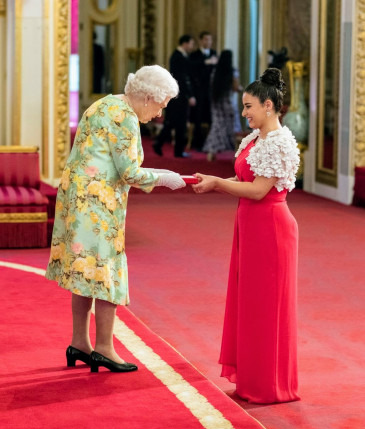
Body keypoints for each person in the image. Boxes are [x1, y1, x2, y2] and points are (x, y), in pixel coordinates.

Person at [46, 65, 186, 373]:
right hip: (98, 203)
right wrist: (166, 177)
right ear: (148, 97)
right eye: (161, 105)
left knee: (84, 271)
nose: (160, 114)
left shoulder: (103, 103)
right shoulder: (126, 118)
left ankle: (79, 342)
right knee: (106, 271)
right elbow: (130, 173)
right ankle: (105, 348)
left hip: (75, 198)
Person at [192, 68, 300, 404]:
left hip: (270, 228)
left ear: (269, 106)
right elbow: (243, 178)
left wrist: (217, 183)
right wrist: (214, 179)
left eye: (249, 106)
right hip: (249, 227)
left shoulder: (280, 143)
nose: (244, 113)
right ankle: (251, 378)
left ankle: (269, 384)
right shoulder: (252, 140)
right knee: (249, 303)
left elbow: (257, 191)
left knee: (267, 306)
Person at [153, 35, 196, 158]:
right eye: (191, 44)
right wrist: (189, 95)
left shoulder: (178, 56)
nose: (192, 47)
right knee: (179, 123)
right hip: (179, 96)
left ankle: (160, 143)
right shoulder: (178, 56)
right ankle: (176, 150)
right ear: (185, 43)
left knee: (172, 122)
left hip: (175, 95)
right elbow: (182, 79)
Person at [203, 50, 242, 161]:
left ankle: (212, 150)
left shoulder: (216, 71)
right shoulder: (232, 71)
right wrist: (240, 88)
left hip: (216, 102)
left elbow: (211, 86)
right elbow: (235, 87)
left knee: (217, 126)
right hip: (228, 102)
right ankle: (234, 152)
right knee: (231, 127)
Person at [189, 31, 218, 150]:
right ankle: (198, 143)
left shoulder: (214, 53)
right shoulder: (195, 54)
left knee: (211, 117)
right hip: (198, 90)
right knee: (198, 117)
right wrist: (205, 62)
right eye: (206, 39)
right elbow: (191, 68)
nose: (208, 42)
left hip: (210, 90)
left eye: (210, 40)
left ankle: (210, 143)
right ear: (201, 41)